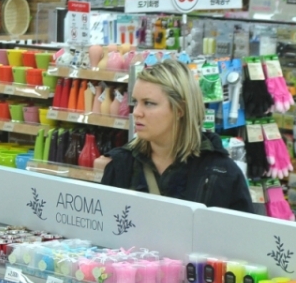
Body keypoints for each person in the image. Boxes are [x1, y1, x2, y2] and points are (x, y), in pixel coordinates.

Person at [97, 59, 252, 212]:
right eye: (135, 102)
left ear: (180, 109)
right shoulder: (121, 165)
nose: (136, 112)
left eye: (149, 103)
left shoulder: (223, 174)